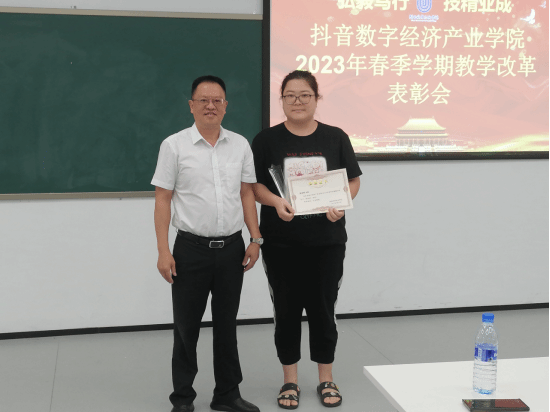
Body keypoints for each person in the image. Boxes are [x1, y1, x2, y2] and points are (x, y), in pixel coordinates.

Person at [251, 70, 361, 409]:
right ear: (281, 100)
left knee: (323, 310)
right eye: (290, 95)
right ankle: (290, 381)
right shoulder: (266, 140)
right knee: (285, 311)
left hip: (327, 243)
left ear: (317, 98)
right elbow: (255, 187)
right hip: (281, 244)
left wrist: (340, 203)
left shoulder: (335, 137)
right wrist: (275, 201)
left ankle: (326, 378)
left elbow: (353, 180)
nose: (297, 101)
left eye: (304, 95)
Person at [152, 75, 262, 412]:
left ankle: (227, 395)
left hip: (232, 249)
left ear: (226, 106)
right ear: (192, 105)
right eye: (203, 100)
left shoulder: (240, 145)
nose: (210, 106)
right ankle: (183, 398)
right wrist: (163, 251)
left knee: (227, 326)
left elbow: (246, 193)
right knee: (186, 328)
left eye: (217, 100)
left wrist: (255, 238)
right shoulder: (174, 146)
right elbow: (162, 199)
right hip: (190, 251)